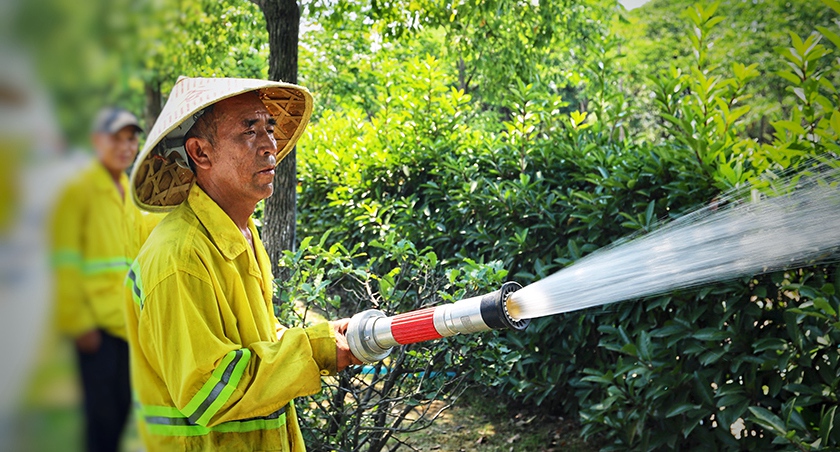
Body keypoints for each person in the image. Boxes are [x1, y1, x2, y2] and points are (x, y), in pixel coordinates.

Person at [125, 76, 362, 451]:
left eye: (269, 128)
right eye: (248, 131)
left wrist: (325, 337)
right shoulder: (180, 256)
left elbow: (255, 340)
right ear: (201, 153)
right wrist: (311, 350)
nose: (270, 145)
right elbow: (210, 390)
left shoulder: (240, 232)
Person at [49, 106, 154, 452]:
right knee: (102, 423)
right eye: (117, 139)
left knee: (123, 414)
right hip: (98, 332)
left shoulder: (130, 192)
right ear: (97, 142)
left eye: (131, 140)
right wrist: (79, 324)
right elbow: (64, 259)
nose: (126, 147)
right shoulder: (79, 191)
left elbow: (143, 245)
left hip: (129, 327)